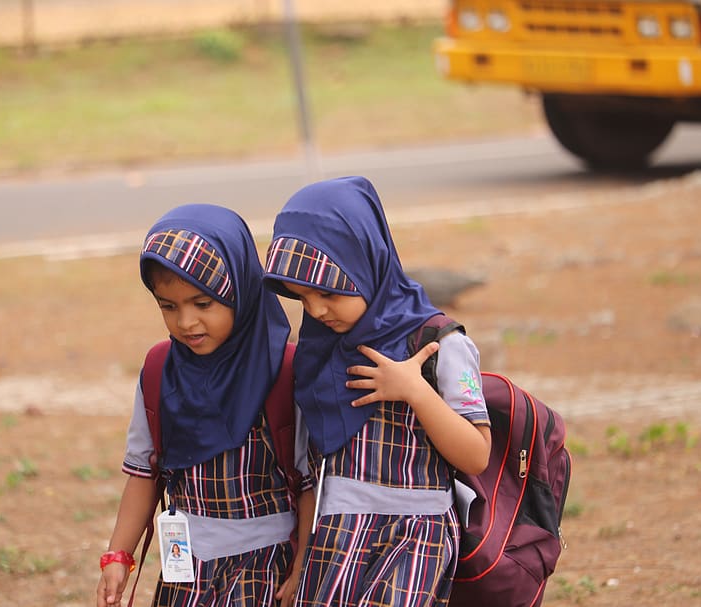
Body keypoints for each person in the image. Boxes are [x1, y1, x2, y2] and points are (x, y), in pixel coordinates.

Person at [261, 176, 492, 607]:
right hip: (335, 543)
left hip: (412, 540)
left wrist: (415, 392)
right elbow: (315, 472)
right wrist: (303, 561)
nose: (316, 310)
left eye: (328, 292)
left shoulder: (438, 343)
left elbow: (477, 453)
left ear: (368, 260)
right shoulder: (316, 351)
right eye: (301, 297)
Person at [96, 204, 315, 607]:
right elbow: (144, 473)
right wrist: (118, 554)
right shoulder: (160, 369)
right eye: (168, 306)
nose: (186, 323)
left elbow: (309, 484)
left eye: (203, 303)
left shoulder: (284, 372)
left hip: (267, 569)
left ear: (242, 291)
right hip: (186, 571)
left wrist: (302, 566)